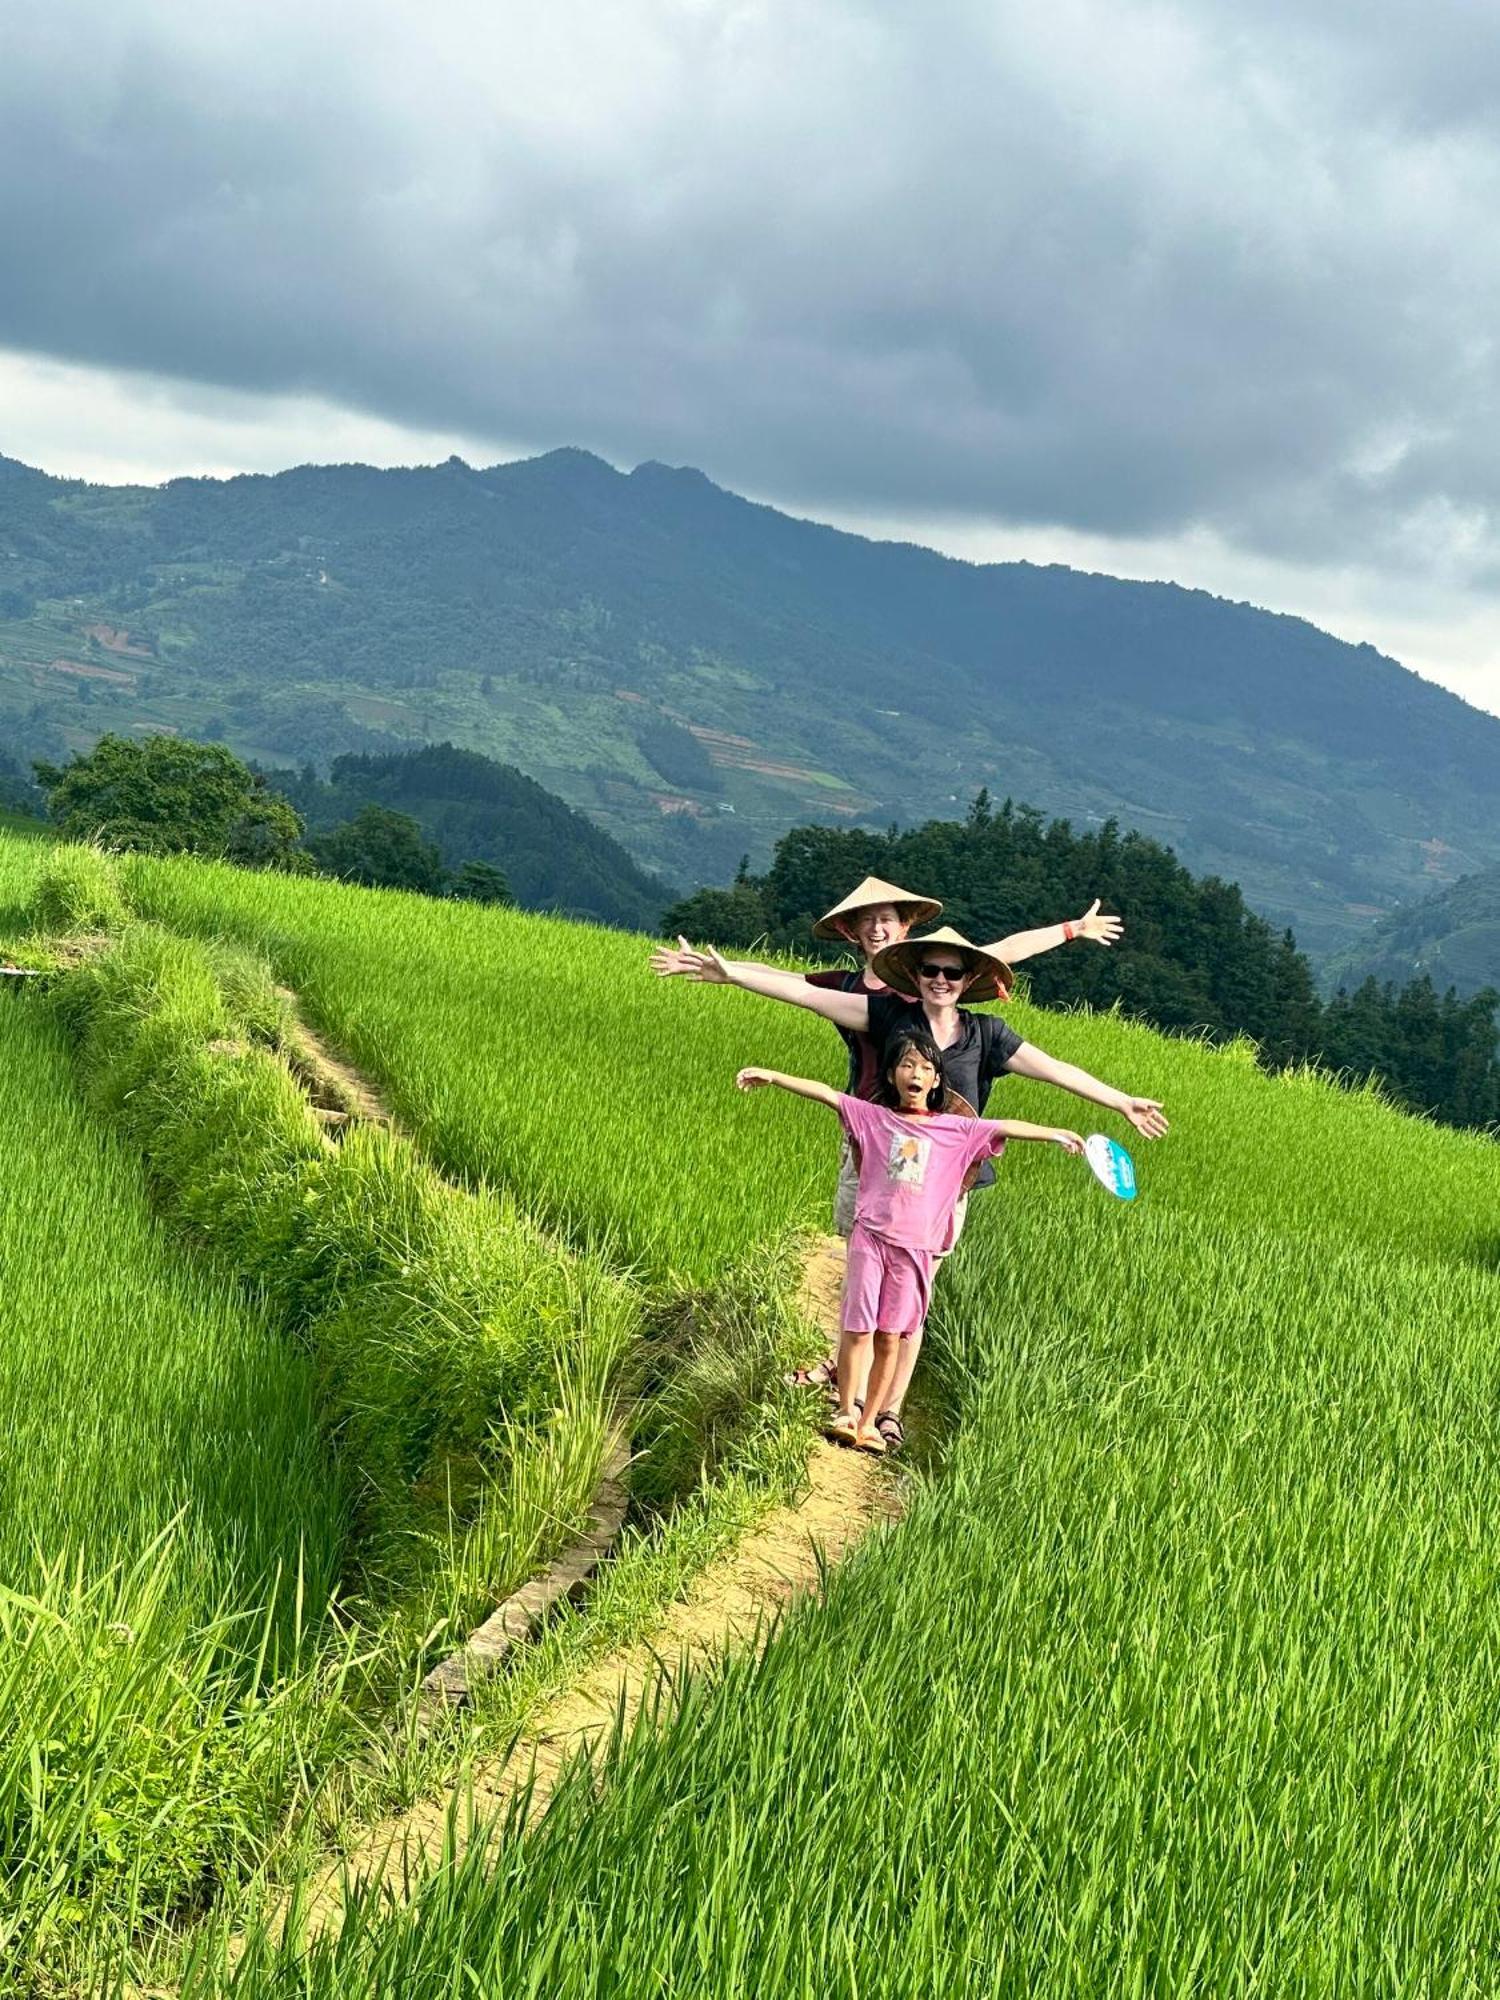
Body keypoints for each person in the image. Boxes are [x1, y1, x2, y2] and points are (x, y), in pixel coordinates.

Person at [653, 923, 1168, 1446]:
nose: (940, 980)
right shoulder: (888, 1016)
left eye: (951, 972)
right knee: (862, 1290)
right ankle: (850, 1402)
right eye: (930, 970)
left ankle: (888, 1411)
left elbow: (1056, 1069)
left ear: (967, 980)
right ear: (916, 975)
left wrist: (1120, 1101)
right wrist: (732, 975)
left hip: (944, 1191)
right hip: (882, 1174)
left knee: (914, 1301)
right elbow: (807, 993)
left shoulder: (987, 1035)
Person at [736, 1026, 1086, 1453]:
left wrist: (1058, 1134)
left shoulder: (957, 1130)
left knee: (890, 1335)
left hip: (915, 1249)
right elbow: (827, 1094)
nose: (914, 1073)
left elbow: (1006, 1125)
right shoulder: (873, 1117)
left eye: (924, 1067)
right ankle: (846, 1411)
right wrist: (773, 1075)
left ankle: (869, 1423)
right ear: (891, 1076)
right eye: (906, 1064)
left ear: (936, 1080)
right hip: (871, 1238)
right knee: (858, 1327)